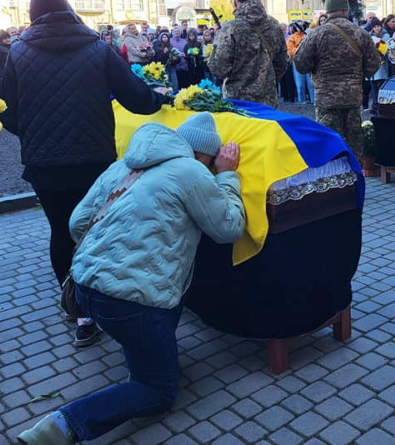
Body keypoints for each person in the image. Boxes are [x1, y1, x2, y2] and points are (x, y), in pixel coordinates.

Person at [17, 113, 246, 445]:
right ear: (203, 156)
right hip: (130, 305)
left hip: (84, 288)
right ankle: (64, 425)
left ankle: (149, 347)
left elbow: (76, 222)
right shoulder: (192, 171)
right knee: (158, 390)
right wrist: (226, 177)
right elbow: (229, 229)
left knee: (163, 285)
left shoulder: (124, 165)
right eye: (210, 164)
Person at [0, 0, 168, 347]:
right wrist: (159, 99)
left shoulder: (18, 52)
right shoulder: (96, 47)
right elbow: (135, 98)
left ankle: (78, 312)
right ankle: (105, 302)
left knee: (61, 231)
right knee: (98, 230)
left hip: (44, 165)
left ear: (32, 16)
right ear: (69, 11)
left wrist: (33, 134)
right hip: (94, 161)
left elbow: (6, 111)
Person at [293, 0, 382, 159]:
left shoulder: (316, 34)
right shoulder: (361, 33)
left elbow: (301, 65)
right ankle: (355, 179)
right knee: (354, 145)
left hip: (326, 99)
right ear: (346, 10)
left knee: (328, 144)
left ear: (327, 12)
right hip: (353, 98)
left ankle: (333, 182)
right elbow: (373, 67)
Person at [208, 0, 288, 108]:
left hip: (239, 103)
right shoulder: (274, 24)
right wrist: (265, 79)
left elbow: (218, 68)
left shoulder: (231, 28)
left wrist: (217, 41)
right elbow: (282, 63)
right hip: (268, 101)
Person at [287, 20, 314, 105]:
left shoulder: (309, 35)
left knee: (311, 84)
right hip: (297, 62)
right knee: (300, 85)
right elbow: (290, 50)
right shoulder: (292, 37)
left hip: (309, 61)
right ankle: (301, 102)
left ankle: (313, 101)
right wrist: (300, 51)